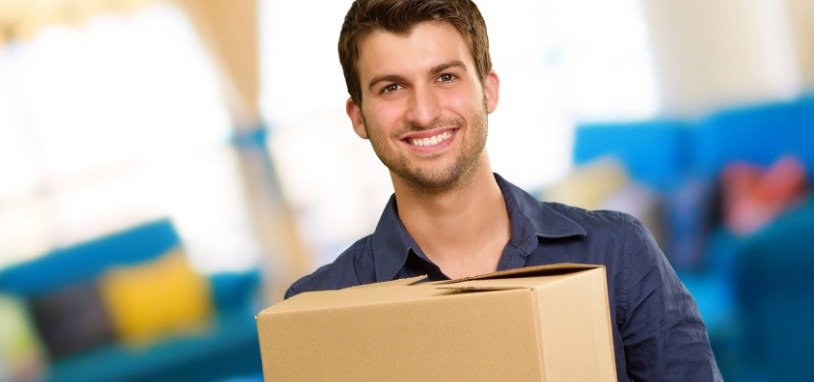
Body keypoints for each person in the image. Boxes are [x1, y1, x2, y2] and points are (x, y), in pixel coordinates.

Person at [285, 0, 723, 380]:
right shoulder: (316, 309)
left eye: (446, 77)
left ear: (488, 90)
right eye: (392, 87)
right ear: (358, 116)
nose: (423, 112)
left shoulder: (618, 252)